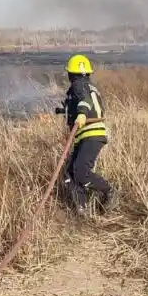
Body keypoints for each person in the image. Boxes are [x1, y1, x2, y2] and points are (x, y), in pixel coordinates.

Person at [56, 53, 115, 214]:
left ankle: (109, 191)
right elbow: (88, 102)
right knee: (70, 172)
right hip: (87, 135)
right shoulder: (89, 86)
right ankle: (80, 208)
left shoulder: (78, 85)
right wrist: (65, 110)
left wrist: (81, 113)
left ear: (72, 74)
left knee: (81, 173)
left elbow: (85, 102)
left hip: (91, 134)